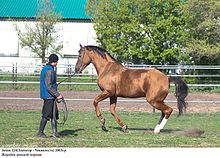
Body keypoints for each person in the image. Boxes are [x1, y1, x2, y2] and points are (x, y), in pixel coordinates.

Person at [37, 54, 63, 138]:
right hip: (49, 96)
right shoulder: (49, 71)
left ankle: (55, 132)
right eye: (56, 62)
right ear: (54, 62)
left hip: (50, 96)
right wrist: (58, 95)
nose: (57, 63)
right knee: (46, 114)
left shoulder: (46, 68)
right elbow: (49, 86)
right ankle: (40, 132)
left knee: (54, 114)